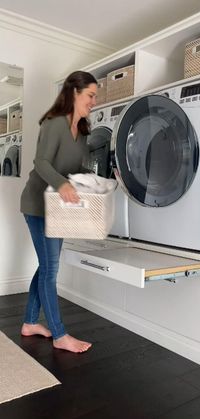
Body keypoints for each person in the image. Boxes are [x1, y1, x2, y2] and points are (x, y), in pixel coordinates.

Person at [20, 70, 97, 353]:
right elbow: (41, 162)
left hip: (59, 209)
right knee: (51, 269)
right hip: (38, 206)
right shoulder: (54, 123)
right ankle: (60, 335)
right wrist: (62, 183)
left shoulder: (83, 132)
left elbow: (76, 169)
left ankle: (30, 322)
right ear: (74, 93)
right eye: (90, 95)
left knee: (46, 266)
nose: (93, 101)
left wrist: (100, 178)